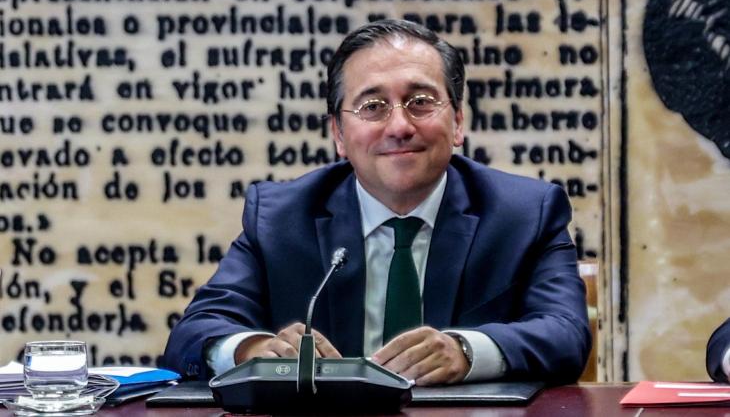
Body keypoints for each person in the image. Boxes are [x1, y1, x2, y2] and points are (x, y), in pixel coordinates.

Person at [163, 19, 591, 385]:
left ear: (458, 121)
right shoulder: (281, 218)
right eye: (373, 106)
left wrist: (467, 350)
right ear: (338, 134)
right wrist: (253, 350)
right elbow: (192, 335)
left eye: (420, 102)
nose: (399, 126)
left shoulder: (525, 213)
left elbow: (565, 334)